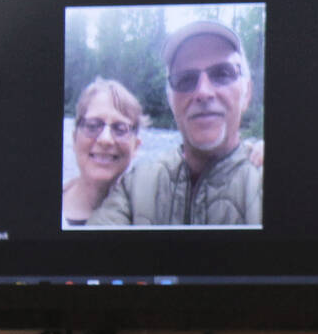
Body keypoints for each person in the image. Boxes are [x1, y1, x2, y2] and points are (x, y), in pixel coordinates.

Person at [89, 18, 262, 227]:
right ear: (171, 100)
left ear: (247, 94)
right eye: (186, 79)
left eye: (222, 74)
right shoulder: (134, 188)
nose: (203, 92)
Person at [62, 78, 142, 227]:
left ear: (135, 147)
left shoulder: (150, 216)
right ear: (74, 139)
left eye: (120, 128)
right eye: (93, 126)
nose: (105, 139)